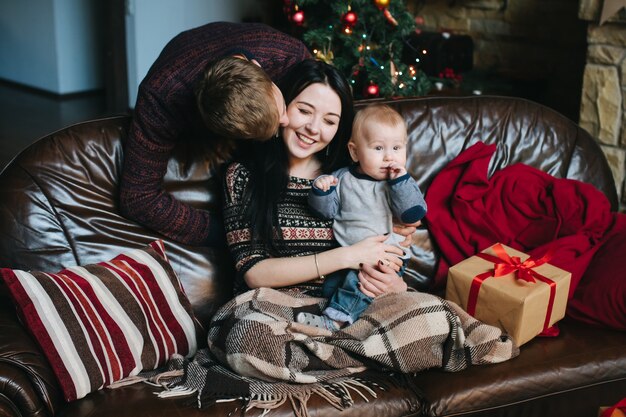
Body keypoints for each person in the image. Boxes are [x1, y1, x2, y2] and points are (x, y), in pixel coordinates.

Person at [222, 59, 409, 301]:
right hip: (273, 305)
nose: (313, 128)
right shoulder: (243, 176)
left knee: (439, 316)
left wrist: (396, 286)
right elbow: (253, 272)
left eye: (329, 121)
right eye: (304, 111)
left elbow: (392, 246)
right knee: (254, 331)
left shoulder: (351, 178)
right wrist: (348, 256)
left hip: (352, 304)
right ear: (283, 105)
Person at [119, 22, 311, 246]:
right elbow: (137, 198)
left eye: (281, 109)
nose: (286, 121)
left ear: (259, 66)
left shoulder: (287, 54)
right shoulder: (160, 98)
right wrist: (227, 233)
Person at [297, 104, 427, 330]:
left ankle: (335, 322)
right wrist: (322, 191)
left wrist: (400, 183)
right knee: (333, 289)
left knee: (361, 284)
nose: (389, 157)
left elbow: (413, 213)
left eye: (397, 148)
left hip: (386, 254)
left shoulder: (398, 183)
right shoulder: (342, 178)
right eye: (378, 148)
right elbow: (325, 212)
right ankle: (353, 321)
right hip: (347, 253)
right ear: (355, 152)